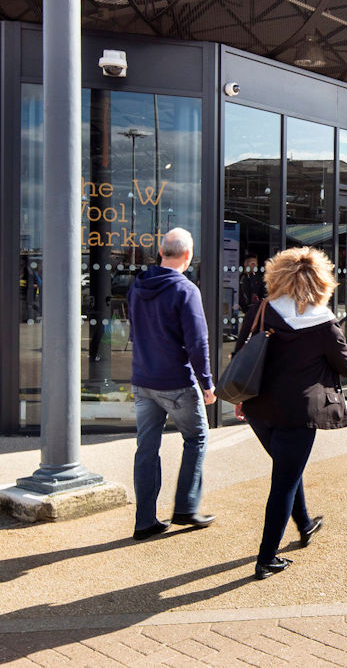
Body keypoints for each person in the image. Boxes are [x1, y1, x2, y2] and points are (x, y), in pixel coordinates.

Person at [234, 246, 347, 580]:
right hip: (299, 413)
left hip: (259, 408)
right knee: (284, 481)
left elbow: (240, 357)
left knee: (287, 470)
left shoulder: (260, 310)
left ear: (275, 276)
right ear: (321, 281)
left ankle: (305, 524)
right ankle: (266, 558)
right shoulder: (323, 322)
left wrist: (239, 399)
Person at [130, 228, 217, 541]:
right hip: (175, 382)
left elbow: (134, 330)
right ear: (188, 256)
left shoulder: (138, 285)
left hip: (142, 379)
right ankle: (185, 506)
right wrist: (207, 384)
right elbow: (198, 342)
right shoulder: (186, 290)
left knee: (147, 448)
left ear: (161, 253)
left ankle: (144, 521)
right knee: (196, 437)